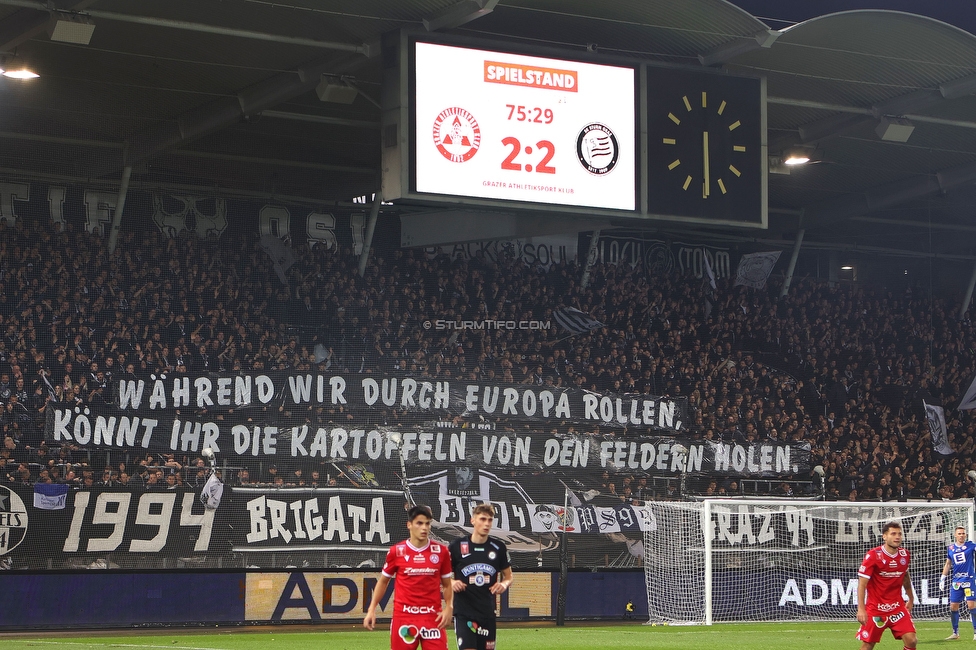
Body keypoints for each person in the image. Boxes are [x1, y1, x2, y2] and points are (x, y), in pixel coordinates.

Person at [364, 505, 453, 650]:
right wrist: (371, 609)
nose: (424, 528)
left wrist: (449, 607)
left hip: (432, 617)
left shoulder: (441, 552)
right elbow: (383, 581)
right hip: (404, 617)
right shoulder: (397, 551)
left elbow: (447, 584)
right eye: (419, 523)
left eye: (427, 523)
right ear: (409, 525)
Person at [448, 504, 513, 650]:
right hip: (464, 612)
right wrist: (451, 582)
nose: (487, 524)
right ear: (473, 520)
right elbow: (441, 575)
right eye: (483, 519)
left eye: (490, 520)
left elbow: (508, 576)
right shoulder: (457, 546)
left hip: (487, 612)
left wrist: (504, 584)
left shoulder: (498, 548)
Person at [856, 521, 916, 650]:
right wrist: (861, 609)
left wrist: (911, 598)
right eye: (893, 534)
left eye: (899, 534)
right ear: (884, 536)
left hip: (897, 608)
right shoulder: (873, 555)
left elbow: (905, 577)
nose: (897, 537)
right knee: (867, 645)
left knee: (911, 641)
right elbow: (862, 583)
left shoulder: (905, 555)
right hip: (876, 609)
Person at [940, 525, 976, 640]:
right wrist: (943, 578)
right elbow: (948, 564)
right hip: (956, 582)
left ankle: (975, 632)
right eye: (959, 533)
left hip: (969, 580)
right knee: (953, 607)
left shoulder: (971, 545)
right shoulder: (950, 548)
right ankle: (955, 633)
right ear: (955, 535)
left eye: (963, 533)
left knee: (971, 606)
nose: (961, 535)